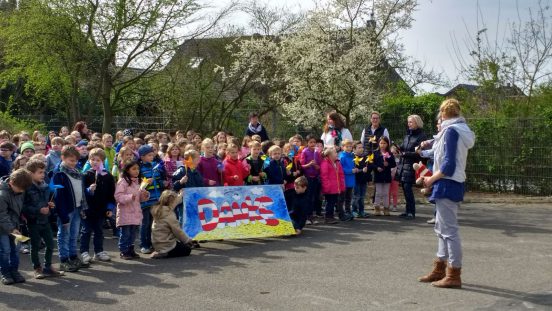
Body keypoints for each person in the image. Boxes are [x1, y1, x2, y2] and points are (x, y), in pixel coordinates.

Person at [418, 99, 475, 289]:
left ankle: (454, 274)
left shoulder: (451, 131)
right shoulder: (455, 130)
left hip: (447, 183)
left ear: (444, 114)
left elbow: (448, 165)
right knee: (441, 229)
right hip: (449, 182)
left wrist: (431, 179)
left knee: (449, 231)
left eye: (440, 114)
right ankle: (440, 268)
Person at [22, 160, 64, 279]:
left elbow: (47, 201)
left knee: (50, 244)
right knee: (35, 246)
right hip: (33, 221)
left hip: (45, 220)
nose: (43, 175)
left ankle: (48, 267)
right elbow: (23, 207)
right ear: (30, 173)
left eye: (44, 172)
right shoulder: (27, 188)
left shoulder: (45, 186)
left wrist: (50, 205)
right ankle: (37, 268)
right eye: (40, 172)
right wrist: (38, 210)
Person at [52, 145, 89, 272]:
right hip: (67, 210)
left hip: (78, 207)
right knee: (64, 235)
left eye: (76, 160)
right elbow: (58, 197)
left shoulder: (78, 172)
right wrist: (63, 215)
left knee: (74, 234)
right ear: (63, 158)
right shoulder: (59, 174)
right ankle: (64, 260)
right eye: (71, 160)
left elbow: (81, 190)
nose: (74, 163)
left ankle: (73, 256)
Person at [80, 148, 116, 264]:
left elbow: (111, 194)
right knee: (86, 231)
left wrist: (110, 208)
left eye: (98, 160)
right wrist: (89, 190)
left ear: (103, 161)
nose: (95, 162)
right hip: (87, 209)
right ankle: (84, 252)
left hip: (101, 209)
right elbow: (81, 193)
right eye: (92, 159)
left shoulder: (108, 177)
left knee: (99, 231)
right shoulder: (85, 175)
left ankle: (98, 251)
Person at [0, 169, 33, 285]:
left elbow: (20, 206)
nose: (22, 191)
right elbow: (2, 215)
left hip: (15, 226)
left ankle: (14, 271)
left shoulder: (20, 190)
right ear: (12, 182)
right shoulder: (2, 194)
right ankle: (5, 273)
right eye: (20, 189)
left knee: (15, 250)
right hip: (3, 228)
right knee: (5, 250)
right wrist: (11, 229)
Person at [115, 160, 149, 260]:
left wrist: (145, 195)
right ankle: (123, 251)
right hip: (125, 212)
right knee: (125, 233)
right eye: (133, 169)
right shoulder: (123, 181)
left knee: (133, 233)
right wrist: (130, 197)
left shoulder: (137, 181)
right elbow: (118, 196)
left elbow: (140, 197)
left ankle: (131, 249)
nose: (136, 171)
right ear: (127, 170)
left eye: (138, 169)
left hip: (135, 212)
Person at [395, 114, 426, 220]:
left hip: (412, 166)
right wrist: (397, 148)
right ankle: (407, 211)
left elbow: (419, 153)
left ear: (417, 123)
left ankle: (411, 212)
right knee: (404, 188)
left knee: (408, 188)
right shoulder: (408, 135)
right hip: (403, 165)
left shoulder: (421, 136)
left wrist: (404, 154)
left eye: (411, 122)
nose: (409, 124)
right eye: (408, 122)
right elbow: (404, 146)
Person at [138, 145, 165, 254]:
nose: (152, 157)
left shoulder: (155, 166)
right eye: (149, 155)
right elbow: (138, 185)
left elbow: (159, 179)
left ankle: (152, 243)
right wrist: (145, 183)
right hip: (145, 201)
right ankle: (144, 244)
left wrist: (162, 182)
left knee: (154, 223)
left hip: (156, 199)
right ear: (142, 157)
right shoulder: (139, 168)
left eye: (152, 154)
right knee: (145, 223)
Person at [151, 190, 193, 259]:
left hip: (157, 243)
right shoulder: (169, 215)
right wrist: (188, 240)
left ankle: (160, 251)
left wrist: (181, 195)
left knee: (180, 245)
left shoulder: (158, 210)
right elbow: (178, 231)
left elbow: (175, 202)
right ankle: (164, 253)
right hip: (167, 244)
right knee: (187, 249)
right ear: (171, 202)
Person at [320, 146, 348, 223]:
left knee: (333, 202)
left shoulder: (337, 163)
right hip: (330, 188)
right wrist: (327, 187)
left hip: (336, 188)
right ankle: (328, 217)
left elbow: (341, 175)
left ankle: (331, 216)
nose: (337, 154)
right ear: (329, 155)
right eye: (335, 152)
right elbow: (324, 176)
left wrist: (342, 186)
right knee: (330, 203)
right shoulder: (325, 163)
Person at [370, 137, 396, 216]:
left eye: (384, 143)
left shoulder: (390, 154)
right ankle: (377, 208)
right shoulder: (375, 153)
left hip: (387, 176)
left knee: (386, 193)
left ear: (387, 144)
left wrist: (388, 164)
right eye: (381, 143)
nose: (382, 145)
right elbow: (371, 164)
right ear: (378, 143)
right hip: (378, 176)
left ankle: (386, 208)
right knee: (378, 193)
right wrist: (377, 168)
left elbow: (393, 164)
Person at [299, 135, 323, 221]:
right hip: (307, 177)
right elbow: (301, 165)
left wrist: (317, 167)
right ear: (307, 143)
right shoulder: (305, 151)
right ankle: (307, 215)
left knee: (314, 196)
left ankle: (311, 214)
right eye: (311, 142)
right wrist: (309, 164)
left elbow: (320, 165)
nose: (313, 144)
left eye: (314, 142)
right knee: (308, 197)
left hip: (315, 177)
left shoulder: (317, 152)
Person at [338, 139, 357, 220]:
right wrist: (351, 171)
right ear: (343, 147)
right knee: (343, 198)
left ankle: (348, 211)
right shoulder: (342, 157)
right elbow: (340, 169)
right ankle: (343, 213)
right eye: (347, 146)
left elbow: (354, 165)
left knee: (349, 197)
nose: (349, 148)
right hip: (344, 180)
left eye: (350, 146)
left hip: (351, 180)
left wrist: (355, 169)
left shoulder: (353, 156)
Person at [352, 141, 371, 218]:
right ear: (354, 149)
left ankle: (361, 210)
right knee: (356, 196)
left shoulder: (365, 157)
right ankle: (354, 210)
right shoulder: (353, 158)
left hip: (363, 180)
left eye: (362, 147)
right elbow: (354, 169)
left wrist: (367, 169)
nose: (361, 149)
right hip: (356, 180)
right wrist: (361, 170)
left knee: (362, 196)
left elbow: (368, 168)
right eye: (359, 147)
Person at [389, 145, 400, 212]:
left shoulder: (399, 161)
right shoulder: (388, 160)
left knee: (395, 193)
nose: (394, 154)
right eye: (392, 153)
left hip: (396, 178)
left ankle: (394, 205)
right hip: (388, 177)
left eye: (395, 153)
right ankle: (388, 205)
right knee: (388, 192)